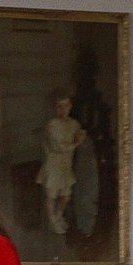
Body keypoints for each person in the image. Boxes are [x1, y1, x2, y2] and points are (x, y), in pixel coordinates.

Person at [35, 90, 86, 234]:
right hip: (53, 165)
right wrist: (77, 142)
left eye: (66, 106)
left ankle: (57, 217)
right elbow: (59, 147)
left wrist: (81, 136)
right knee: (51, 195)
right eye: (59, 106)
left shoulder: (74, 124)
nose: (63, 110)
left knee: (66, 196)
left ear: (70, 106)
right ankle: (52, 220)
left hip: (65, 166)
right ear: (54, 108)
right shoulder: (52, 125)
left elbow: (78, 136)